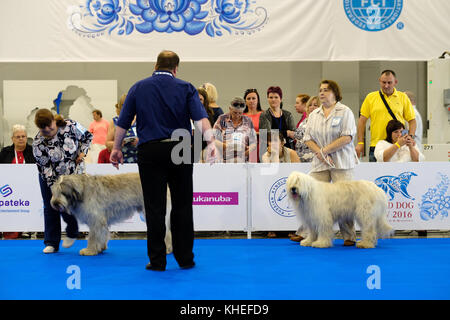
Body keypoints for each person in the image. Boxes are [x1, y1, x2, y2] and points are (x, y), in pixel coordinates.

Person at [110, 50, 216, 271]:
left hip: (150, 149)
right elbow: (200, 119)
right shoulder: (186, 87)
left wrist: (117, 148)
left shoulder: (138, 87)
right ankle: (185, 259)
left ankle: (157, 261)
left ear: (155, 65)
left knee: (154, 207)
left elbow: (123, 122)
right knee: (183, 205)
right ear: (175, 69)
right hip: (180, 147)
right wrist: (212, 143)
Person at [303, 80, 359, 246]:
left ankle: (349, 236)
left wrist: (324, 151)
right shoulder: (314, 114)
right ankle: (311, 234)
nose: (322, 93)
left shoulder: (345, 111)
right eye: (320, 90)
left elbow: (347, 137)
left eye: (326, 90)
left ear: (335, 93)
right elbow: (307, 138)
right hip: (320, 163)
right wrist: (320, 154)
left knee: (345, 200)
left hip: (341, 162)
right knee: (311, 198)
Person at [32, 108, 93, 253]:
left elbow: (88, 137)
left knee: (70, 205)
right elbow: (45, 168)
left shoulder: (71, 125)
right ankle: (51, 242)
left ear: (54, 120)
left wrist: (82, 151)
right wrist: (55, 189)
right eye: (44, 130)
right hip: (50, 178)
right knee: (51, 206)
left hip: (74, 176)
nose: (48, 131)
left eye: (50, 127)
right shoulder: (37, 142)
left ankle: (72, 231)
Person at [356, 70, 417, 162]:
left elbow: (412, 120)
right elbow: (362, 121)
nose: (386, 85)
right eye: (384, 82)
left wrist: (411, 137)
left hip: (398, 145)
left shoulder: (403, 97)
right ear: (379, 81)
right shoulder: (370, 97)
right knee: (375, 175)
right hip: (376, 146)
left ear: (395, 82)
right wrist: (360, 142)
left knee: (398, 174)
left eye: (389, 82)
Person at [0, 124, 35, 239]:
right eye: (18, 137)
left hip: (29, 188)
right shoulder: (5, 152)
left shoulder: (33, 151)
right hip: (9, 189)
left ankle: (27, 229)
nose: (21, 139)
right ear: (12, 139)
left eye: (23, 136)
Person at [213, 97, 257, 163]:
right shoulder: (222, 119)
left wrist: (247, 151)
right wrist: (226, 146)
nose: (237, 115)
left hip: (241, 157)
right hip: (223, 157)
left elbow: (254, 142)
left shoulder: (248, 121)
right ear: (230, 109)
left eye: (240, 113)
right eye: (235, 113)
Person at [259, 86, 296, 159]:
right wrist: (286, 133)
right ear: (268, 99)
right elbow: (267, 135)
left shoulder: (288, 115)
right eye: (271, 97)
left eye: (276, 97)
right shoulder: (264, 115)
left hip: (287, 151)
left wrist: (279, 133)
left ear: (280, 99)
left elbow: (294, 134)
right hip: (270, 152)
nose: (273, 100)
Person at [105, 94, 138, 163]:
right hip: (120, 160)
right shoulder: (114, 122)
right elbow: (107, 143)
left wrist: (139, 141)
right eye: (124, 105)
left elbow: (150, 139)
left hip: (140, 160)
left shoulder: (141, 120)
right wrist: (117, 143)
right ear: (120, 106)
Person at [293, 96, 320, 162]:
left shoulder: (321, 121)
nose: (312, 107)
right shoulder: (305, 120)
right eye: (310, 105)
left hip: (313, 157)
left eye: (315, 105)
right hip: (300, 156)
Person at [243, 88, 263, 162]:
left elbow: (267, 132)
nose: (251, 100)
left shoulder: (263, 115)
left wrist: (252, 133)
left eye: (253, 98)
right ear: (245, 101)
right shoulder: (241, 116)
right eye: (248, 98)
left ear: (258, 100)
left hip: (261, 146)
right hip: (245, 146)